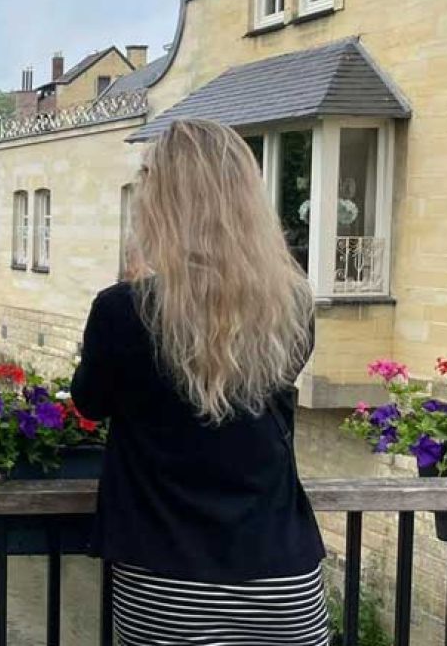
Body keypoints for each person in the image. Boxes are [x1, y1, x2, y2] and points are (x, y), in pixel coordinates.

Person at [71, 119, 327, 646]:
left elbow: (91, 403)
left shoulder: (125, 310)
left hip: (168, 577)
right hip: (283, 580)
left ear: (161, 201)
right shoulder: (293, 305)